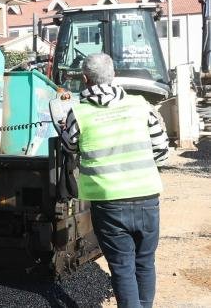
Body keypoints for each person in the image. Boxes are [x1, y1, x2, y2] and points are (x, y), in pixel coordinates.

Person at [60, 53, 168, 308]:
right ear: (113, 76)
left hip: (108, 204)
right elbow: (162, 151)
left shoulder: (79, 113)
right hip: (146, 199)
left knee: (122, 267)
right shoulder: (141, 105)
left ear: (85, 79)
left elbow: (69, 147)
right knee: (145, 262)